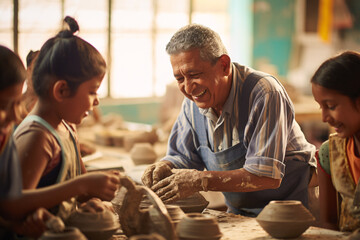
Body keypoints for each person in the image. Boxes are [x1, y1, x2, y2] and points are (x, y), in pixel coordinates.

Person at [142, 24, 317, 217]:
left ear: (224, 65)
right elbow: (184, 158)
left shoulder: (264, 92)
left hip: (292, 212)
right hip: (240, 211)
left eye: (194, 75)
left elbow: (266, 176)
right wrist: (165, 166)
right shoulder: (193, 102)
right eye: (179, 78)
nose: (188, 88)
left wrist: (202, 180)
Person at [13, 16, 120, 221]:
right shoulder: (37, 136)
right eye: (92, 92)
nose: (96, 101)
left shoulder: (67, 127)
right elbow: (14, 204)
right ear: (61, 90)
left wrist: (94, 197)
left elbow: (79, 188)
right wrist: (82, 186)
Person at [312, 51, 360, 232]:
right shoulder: (328, 154)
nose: (325, 118)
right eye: (321, 107)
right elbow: (329, 224)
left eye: (331, 106)